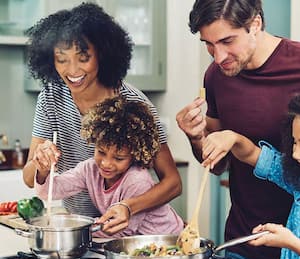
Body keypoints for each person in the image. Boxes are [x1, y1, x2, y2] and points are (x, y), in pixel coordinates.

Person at [22, 2, 182, 235]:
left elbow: (173, 183)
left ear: (102, 54)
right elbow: (30, 179)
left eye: (83, 57)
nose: (72, 70)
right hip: (83, 228)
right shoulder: (51, 98)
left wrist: (127, 207)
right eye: (62, 58)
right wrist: (40, 163)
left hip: (128, 232)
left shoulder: (134, 105)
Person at [176, 0, 300, 259]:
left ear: (255, 24)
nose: (218, 56)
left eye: (227, 41)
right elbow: (218, 165)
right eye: (208, 44)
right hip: (242, 244)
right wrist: (196, 137)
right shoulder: (216, 77)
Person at [34, 97, 184, 237]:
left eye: (119, 158)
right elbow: (49, 192)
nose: (106, 163)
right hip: (133, 243)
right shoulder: (90, 169)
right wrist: (43, 169)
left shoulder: (137, 181)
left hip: (166, 239)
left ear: (135, 155)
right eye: (101, 152)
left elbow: (122, 231)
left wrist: (73, 226)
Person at [201, 94, 300, 259]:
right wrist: (232, 138)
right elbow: (254, 155)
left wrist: (291, 242)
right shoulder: (297, 179)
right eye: (295, 142)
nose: (295, 154)